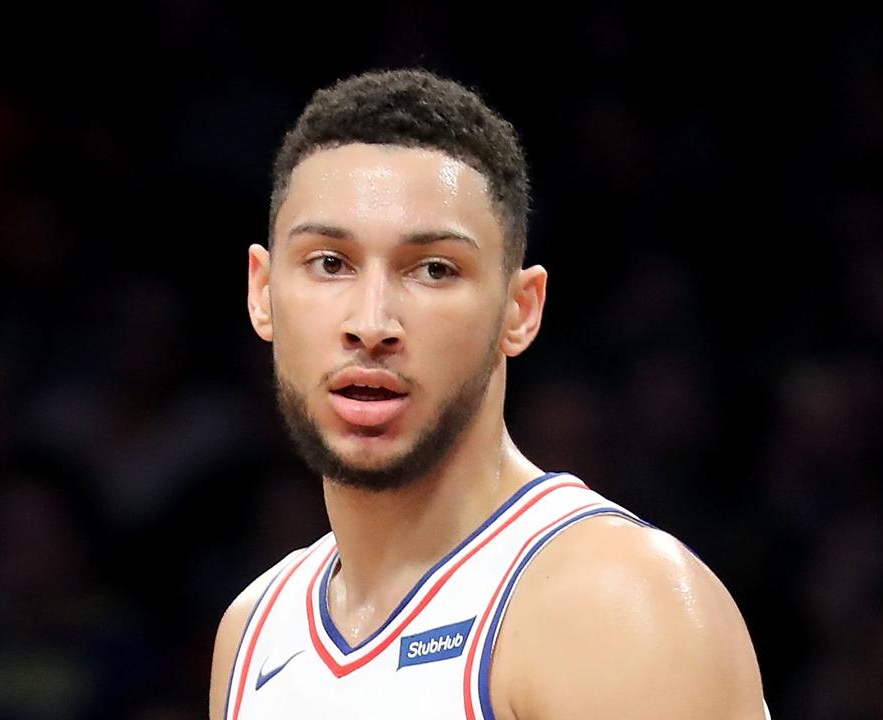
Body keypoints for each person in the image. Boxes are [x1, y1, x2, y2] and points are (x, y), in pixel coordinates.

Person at [209, 68, 768, 720]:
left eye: (434, 269)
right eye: (330, 263)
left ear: (520, 309)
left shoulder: (615, 606)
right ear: (262, 291)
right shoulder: (252, 631)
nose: (371, 323)